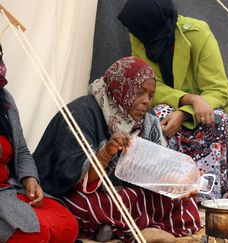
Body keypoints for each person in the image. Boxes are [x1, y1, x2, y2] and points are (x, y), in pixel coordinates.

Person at [33, 57, 201, 242]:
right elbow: (69, 177)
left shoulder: (147, 119)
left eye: (150, 95)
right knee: (84, 205)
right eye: (139, 92)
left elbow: (158, 166)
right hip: (86, 194)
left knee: (181, 200)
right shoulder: (82, 112)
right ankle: (133, 227)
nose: (146, 101)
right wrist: (107, 152)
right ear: (120, 86)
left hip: (128, 194)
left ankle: (118, 228)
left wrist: (178, 181)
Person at [117, 0, 228, 200]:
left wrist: (184, 112)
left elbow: (217, 89)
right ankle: (167, 194)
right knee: (159, 115)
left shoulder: (198, 33)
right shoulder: (141, 35)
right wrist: (188, 99)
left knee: (217, 120)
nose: (135, 34)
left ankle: (208, 198)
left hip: (212, 102)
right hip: (174, 103)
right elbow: (151, 84)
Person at [0, 44, 78, 242]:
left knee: (67, 225)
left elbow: (22, 150)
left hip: (10, 187)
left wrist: (30, 180)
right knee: (36, 233)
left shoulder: (4, 99)